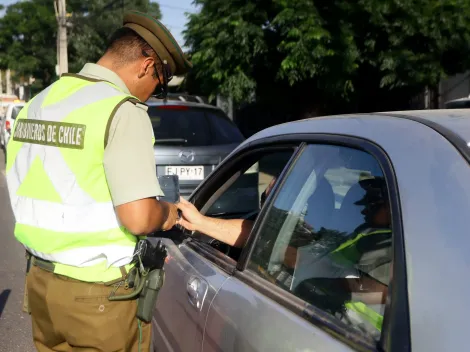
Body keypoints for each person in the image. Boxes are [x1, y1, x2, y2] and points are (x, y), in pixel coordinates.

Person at [5, 10, 191, 352]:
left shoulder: (38, 103)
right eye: (160, 85)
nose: (153, 94)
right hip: (97, 298)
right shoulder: (121, 111)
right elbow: (137, 217)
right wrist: (171, 214)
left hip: (41, 283)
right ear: (148, 65)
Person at [177, 176, 278, 247]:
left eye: (274, 201)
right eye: (264, 198)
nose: (264, 207)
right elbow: (257, 234)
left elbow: (261, 236)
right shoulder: (279, 230)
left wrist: (200, 222)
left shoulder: (284, 241)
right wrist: (199, 222)